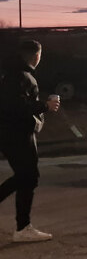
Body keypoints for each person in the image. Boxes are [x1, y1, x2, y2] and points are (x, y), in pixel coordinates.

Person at [0, 40, 60, 243]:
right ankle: (23, 228)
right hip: (18, 133)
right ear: (36, 56)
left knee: (25, 176)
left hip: (11, 133)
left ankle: (23, 226)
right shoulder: (21, 76)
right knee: (28, 176)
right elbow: (16, 106)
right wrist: (45, 106)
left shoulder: (10, 73)